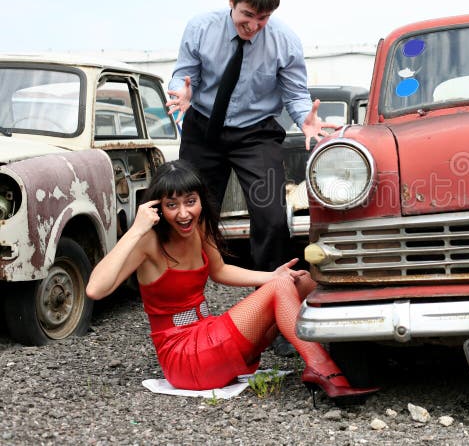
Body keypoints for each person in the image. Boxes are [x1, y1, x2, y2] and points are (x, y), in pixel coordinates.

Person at [86, 160, 377, 404]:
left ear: (201, 200)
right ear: (158, 208)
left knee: (299, 280)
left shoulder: (198, 228)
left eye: (190, 202)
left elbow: (220, 270)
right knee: (280, 288)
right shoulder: (148, 242)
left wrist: (274, 276)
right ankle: (323, 370)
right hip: (185, 357)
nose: (184, 213)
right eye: (172, 205)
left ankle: (361, 353)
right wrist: (135, 230)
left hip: (210, 337)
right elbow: (95, 289)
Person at [165, 0, 336, 271]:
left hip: (256, 135)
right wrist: (181, 93)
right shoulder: (201, 28)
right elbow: (184, 73)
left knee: (271, 215)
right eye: (248, 14)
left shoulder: (285, 41)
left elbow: (295, 93)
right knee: (190, 213)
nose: (254, 25)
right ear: (232, 1)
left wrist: (305, 119)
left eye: (263, 18)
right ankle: (190, 287)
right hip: (204, 128)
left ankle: (270, 293)